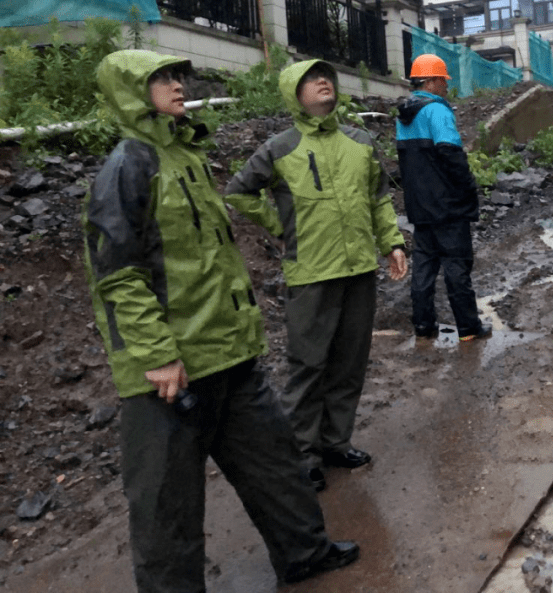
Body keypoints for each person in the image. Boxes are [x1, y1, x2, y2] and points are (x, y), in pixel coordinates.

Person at [83, 50, 358, 592]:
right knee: (168, 506)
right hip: (172, 370)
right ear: (131, 91)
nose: (177, 85)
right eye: (160, 78)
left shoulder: (186, 156)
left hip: (229, 352)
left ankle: (303, 553)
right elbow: (116, 276)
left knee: (276, 466)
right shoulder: (128, 167)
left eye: (177, 75)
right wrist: (155, 354)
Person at [224, 59, 407, 491]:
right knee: (308, 365)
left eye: (326, 76)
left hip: (359, 267)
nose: (322, 81)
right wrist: (278, 227)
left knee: (349, 362)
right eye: (309, 78)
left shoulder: (360, 142)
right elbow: (239, 191)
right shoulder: (280, 147)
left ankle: (335, 442)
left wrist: (393, 243)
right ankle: (302, 453)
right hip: (310, 271)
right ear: (293, 92)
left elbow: (379, 199)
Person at [395, 54, 491, 342]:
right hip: (448, 207)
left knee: (423, 268)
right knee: (456, 267)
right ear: (433, 80)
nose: (446, 87)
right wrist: (468, 189)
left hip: (419, 207)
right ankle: (468, 328)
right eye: (444, 81)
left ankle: (424, 326)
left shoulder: (404, 116)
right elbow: (451, 155)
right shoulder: (438, 111)